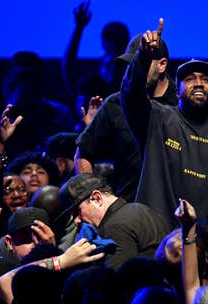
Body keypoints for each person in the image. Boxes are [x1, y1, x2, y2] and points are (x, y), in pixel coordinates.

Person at [120, 18, 208, 286]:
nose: (198, 83)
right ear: (177, 88)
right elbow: (131, 96)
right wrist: (144, 59)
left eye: (205, 79)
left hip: (207, 255)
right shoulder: (158, 118)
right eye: (189, 79)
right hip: (156, 246)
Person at [75, 32, 177, 202]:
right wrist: (93, 199)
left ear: (162, 65)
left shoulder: (183, 104)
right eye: (131, 65)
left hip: (175, 211)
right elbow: (83, 153)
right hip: (126, 208)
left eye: (141, 63)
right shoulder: (115, 104)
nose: (135, 70)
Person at [57, 173, 170, 269]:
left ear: (97, 198)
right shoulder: (141, 208)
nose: (76, 221)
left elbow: (115, 284)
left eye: (77, 212)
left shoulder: (113, 227)